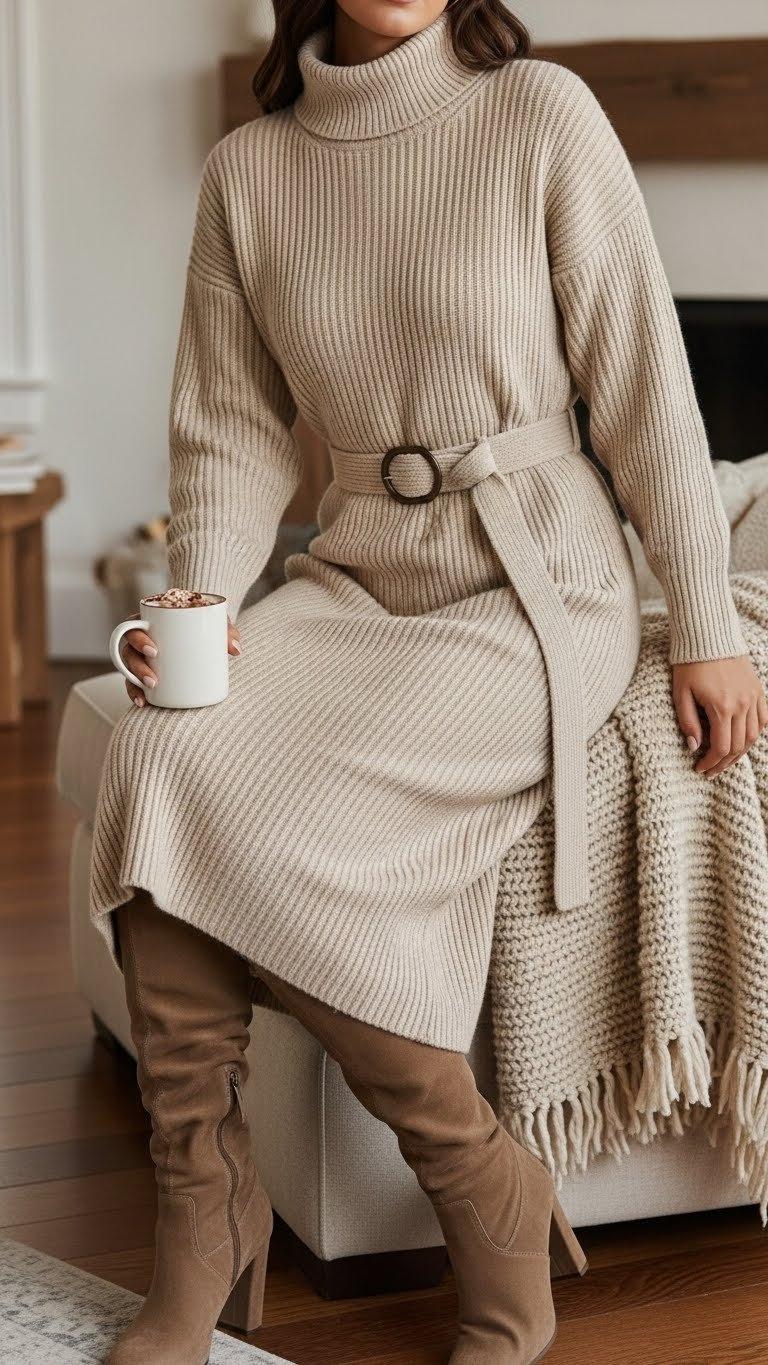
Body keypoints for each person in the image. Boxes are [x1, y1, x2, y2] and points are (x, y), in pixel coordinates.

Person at [95, 2, 768, 1362]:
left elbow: (642, 378)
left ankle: (480, 1183)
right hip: (352, 576)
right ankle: (203, 1206)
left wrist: (705, 619)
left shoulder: (539, 114)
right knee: (157, 758)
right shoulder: (252, 171)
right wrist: (206, 607)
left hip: (537, 589)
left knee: (289, 821)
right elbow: (228, 427)